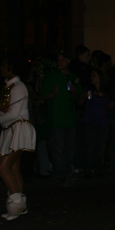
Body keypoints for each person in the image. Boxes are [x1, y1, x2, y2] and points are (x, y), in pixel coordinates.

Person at [0, 58, 36, 220]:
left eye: (5, 66)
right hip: (11, 130)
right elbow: (2, 106)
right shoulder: (9, 86)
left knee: (3, 167)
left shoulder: (18, 87)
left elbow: (13, 113)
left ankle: (16, 205)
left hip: (18, 129)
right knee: (13, 168)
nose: (2, 68)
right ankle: (20, 205)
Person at [41, 51, 81, 182]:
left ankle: (67, 171)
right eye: (59, 60)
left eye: (63, 60)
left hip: (70, 118)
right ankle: (59, 173)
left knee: (70, 147)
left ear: (68, 61)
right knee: (58, 147)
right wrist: (53, 93)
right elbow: (42, 95)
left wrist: (75, 92)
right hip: (57, 118)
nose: (60, 62)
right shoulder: (52, 76)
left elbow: (79, 99)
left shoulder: (73, 77)